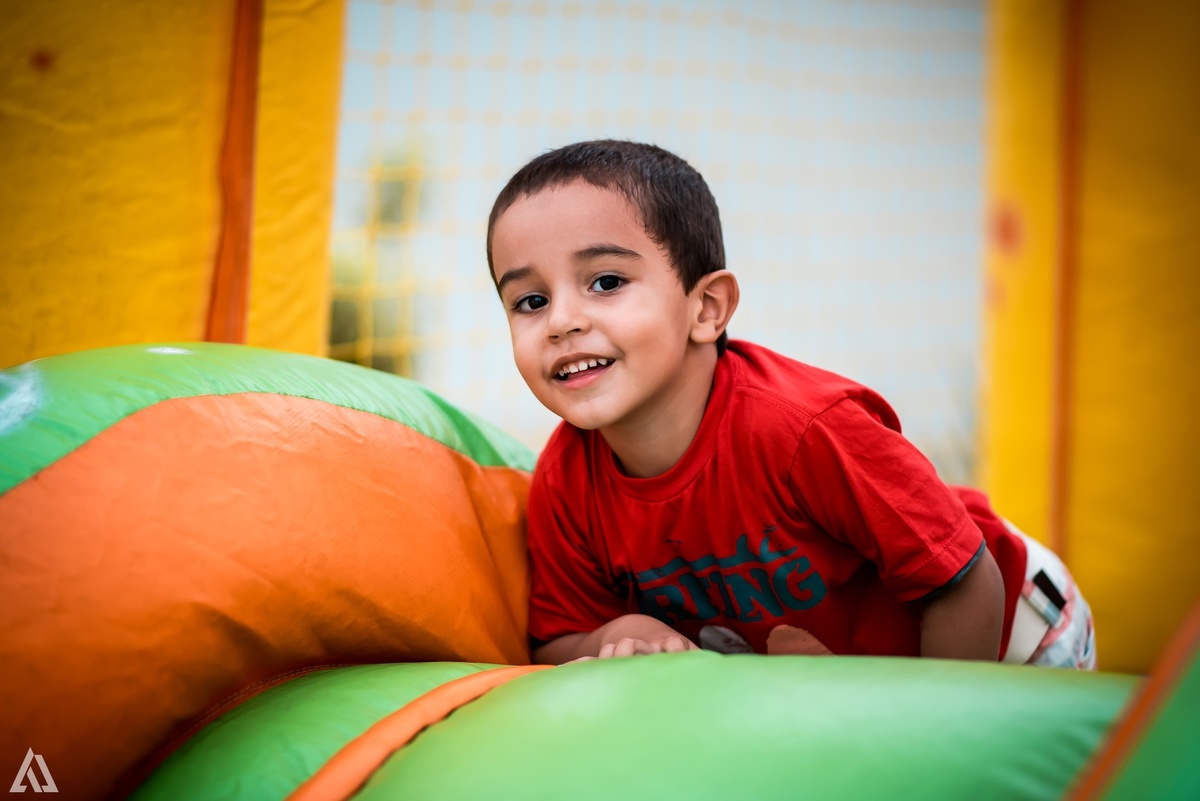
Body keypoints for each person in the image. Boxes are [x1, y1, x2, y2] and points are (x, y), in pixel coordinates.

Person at [486, 139, 1096, 670]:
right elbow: (556, 641)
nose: (562, 321)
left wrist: (936, 730)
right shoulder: (567, 482)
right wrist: (615, 633)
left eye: (606, 282)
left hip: (1012, 628)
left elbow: (965, 579)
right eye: (531, 301)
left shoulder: (802, 428)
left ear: (707, 309)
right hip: (841, 680)